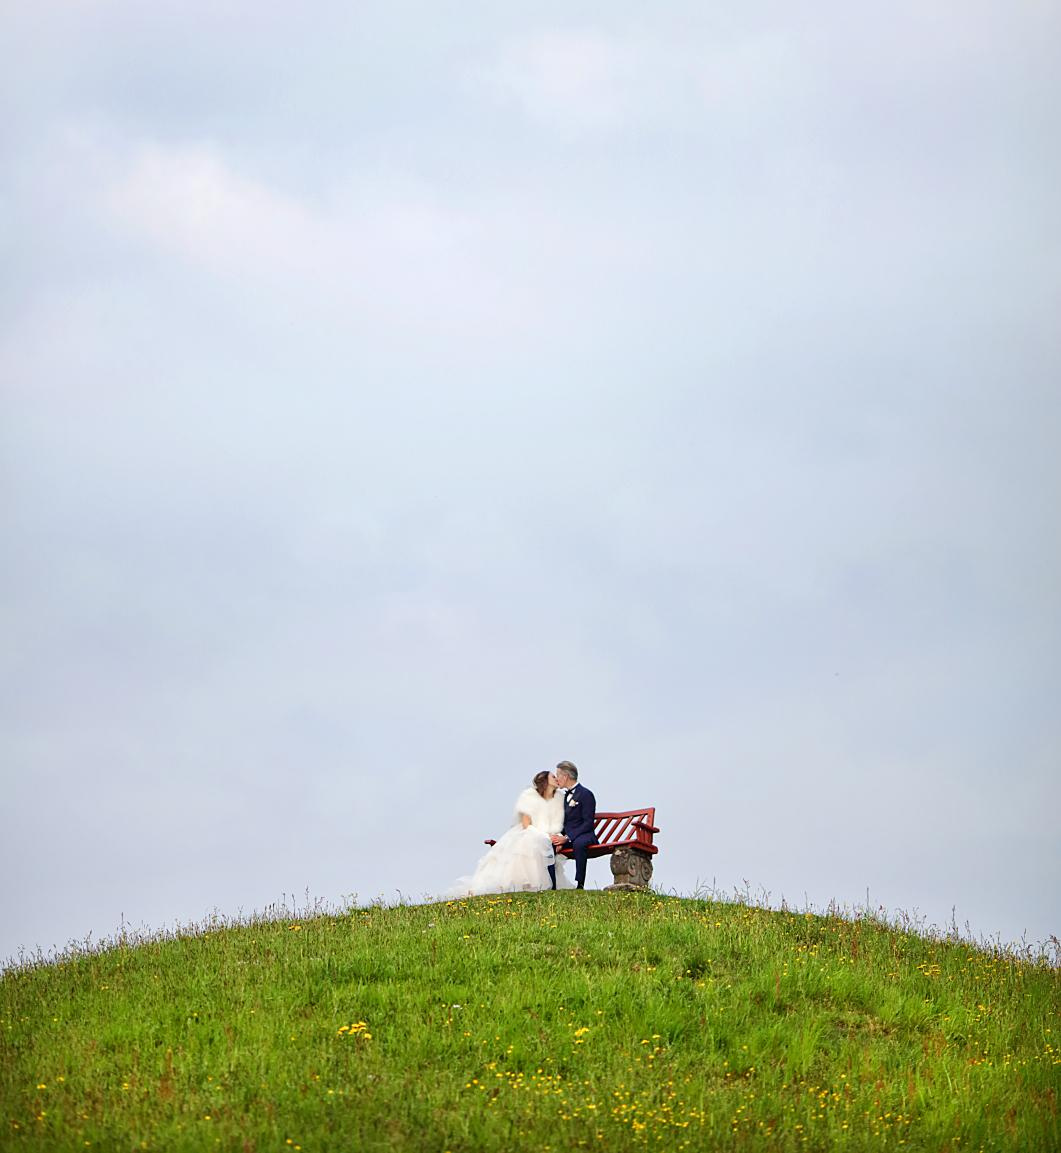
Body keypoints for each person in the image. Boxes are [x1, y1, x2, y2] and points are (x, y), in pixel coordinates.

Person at [450, 771, 573, 896]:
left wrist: (559, 838)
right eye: (553, 777)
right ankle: (535, 884)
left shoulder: (558, 798)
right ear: (545, 781)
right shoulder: (530, 797)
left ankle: (549, 885)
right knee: (535, 844)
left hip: (549, 835)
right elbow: (526, 824)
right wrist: (545, 836)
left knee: (545, 843)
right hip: (530, 832)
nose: (557, 778)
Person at [552, 760, 596, 889]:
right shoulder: (564, 797)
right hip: (568, 836)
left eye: (558, 775)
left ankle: (580, 884)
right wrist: (558, 837)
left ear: (565, 776)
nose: (556, 779)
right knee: (548, 844)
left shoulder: (586, 794)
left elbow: (588, 823)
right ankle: (550, 883)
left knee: (579, 844)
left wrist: (566, 838)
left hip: (585, 834)